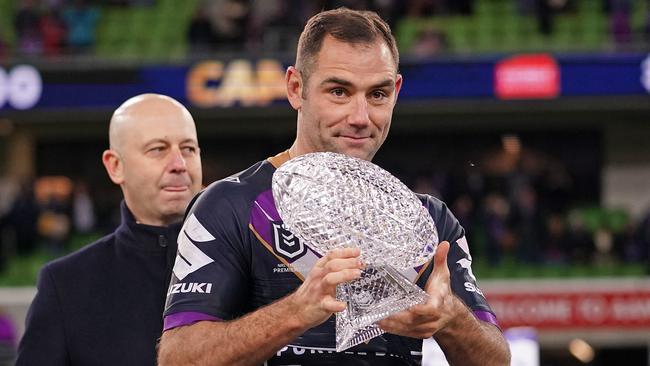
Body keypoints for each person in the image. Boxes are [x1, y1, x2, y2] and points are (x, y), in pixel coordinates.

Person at [159, 8, 509, 366]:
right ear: (296, 88)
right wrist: (295, 311)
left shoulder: (429, 222)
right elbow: (178, 357)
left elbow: (496, 360)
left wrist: (451, 317)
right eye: (339, 92)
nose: (360, 117)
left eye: (378, 94)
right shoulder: (228, 206)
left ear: (397, 92)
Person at [16, 94, 203, 365]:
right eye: (158, 149)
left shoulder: (251, 265)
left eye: (188, 149)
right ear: (115, 166)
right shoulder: (66, 285)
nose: (179, 164)